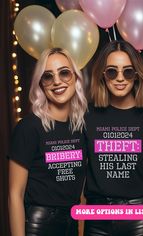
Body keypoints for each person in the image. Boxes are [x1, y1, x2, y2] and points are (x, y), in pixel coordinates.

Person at [8, 47, 87, 236]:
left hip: (72, 224)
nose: (57, 81)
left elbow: (83, 192)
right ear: (41, 84)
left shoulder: (83, 127)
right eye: (48, 76)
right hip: (39, 225)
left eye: (64, 73)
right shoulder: (28, 128)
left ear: (76, 77)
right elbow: (14, 195)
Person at [84, 40, 143, 236]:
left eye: (127, 71)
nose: (120, 78)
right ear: (102, 74)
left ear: (136, 75)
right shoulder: (87, 116)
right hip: (97, 215)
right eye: (111, 71)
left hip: (140, 216)